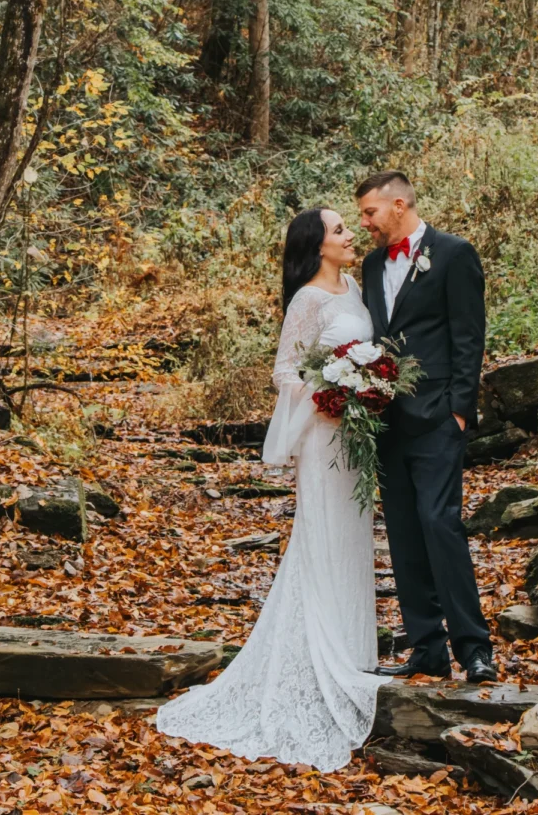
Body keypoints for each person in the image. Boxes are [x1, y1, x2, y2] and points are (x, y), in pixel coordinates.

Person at [156, 208, 381, 772]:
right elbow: (286, 372)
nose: (350, 234)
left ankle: (354, 652)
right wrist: (333, 393)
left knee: (354, 541)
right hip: (324, 436)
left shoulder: (354, 286)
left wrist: (370, 385)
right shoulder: (307, 300)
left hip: (355, 440)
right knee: (322, 537)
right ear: (317, 244)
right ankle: (313, 658)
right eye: (340, 230)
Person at [356, 170, 495, 683]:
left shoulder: (454, 253)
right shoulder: (372, 265)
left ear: (398, 205)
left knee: (441, 525)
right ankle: (427, 648)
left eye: (370, 213)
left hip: (438, 416)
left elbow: (469, 336)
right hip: (386, 420)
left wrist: (459, 409)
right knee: (404, 532)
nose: (365, 223)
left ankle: (474, 647)